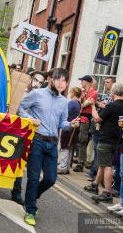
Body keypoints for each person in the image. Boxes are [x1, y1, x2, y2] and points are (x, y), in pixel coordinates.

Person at [18, 68, 80, 226]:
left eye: (64, 81)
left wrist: (70, 124)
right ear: (51, 79)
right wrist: (30, 119)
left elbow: (62, 123)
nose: (61, 82)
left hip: (52, 143)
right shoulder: (37, 94)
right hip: (37, 140)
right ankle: (31, 210)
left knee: (51, 179)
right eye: (58, 79)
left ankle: (31, 197)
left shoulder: (64, 101)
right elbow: (21, 109)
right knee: (33, 178)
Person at [83, 83, 123, 203]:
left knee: (106, 166)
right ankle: (95, 185)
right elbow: (122, 124)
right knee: (104, 164)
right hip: (115, 140)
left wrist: (92, 106)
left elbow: (97, 118)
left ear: (113, 92)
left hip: (106, 139)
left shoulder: (111, 106)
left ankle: (107, 192)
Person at [11, 70, 46, 205]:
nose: (37, 84)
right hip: (15, 130)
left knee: (22, 163)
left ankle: (16, 193)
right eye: (36, 80)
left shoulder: (41, 97)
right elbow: (17, 109)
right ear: (31, 79)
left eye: (40, 82)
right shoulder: (22, 92)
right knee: (12, 160)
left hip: (31, 134)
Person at [85, 77, 116, 180]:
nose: (105, 84)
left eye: (107, 82)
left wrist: (97, 104)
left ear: (113, 84)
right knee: (96, 149)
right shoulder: (107, 95)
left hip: (103, 126)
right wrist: (99, 104)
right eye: (105, 82)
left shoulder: (113, 97)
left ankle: (94, 173)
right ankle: (93, 172)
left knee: (98, 150)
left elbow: (106, 107)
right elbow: (103, 105)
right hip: (98, 126)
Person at [73, 75, 98, 172]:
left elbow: (83, 104)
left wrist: (78, 103)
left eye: (82, 81)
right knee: (75, 139)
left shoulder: (94, 93)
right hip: (77, 117)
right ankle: (74, 159)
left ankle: (80, 163)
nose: (80, 83)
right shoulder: (82, 92)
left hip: (85, 118)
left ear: (87, 82)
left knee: (82, 140)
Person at [58, 87, 82, 174]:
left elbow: (65, 113)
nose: (69, 93)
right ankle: (67, 167)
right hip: (75, 128)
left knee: (65, 146)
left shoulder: (72, 103)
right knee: (70, 147)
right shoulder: (79, 103)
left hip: (69, 127)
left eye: (70, 92)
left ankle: (62, 166)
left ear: (73, 93)